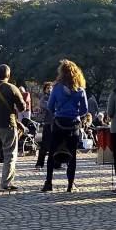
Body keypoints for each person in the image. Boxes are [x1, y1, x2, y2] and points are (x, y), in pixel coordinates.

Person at [41, 59, 88, 193]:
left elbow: (50, 106)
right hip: (73, 125)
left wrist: (59, 112)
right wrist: (75, 114)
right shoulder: (80, 90)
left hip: (58, 123)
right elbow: (85, 110)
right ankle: (70, 184)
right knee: (72, 155)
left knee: (52, 153)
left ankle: (48, 183)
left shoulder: (56, 88)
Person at [35, 82, 54, 170]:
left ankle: (56, 163)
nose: (50, 90)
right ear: (45, 90)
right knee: (45, 145)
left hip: (55, 123)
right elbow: (50, 107)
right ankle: (39, 163)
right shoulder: (44, 98)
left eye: (51, 88)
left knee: (55, 144)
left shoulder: (54, 97)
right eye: (48, 88)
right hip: (47, 123)